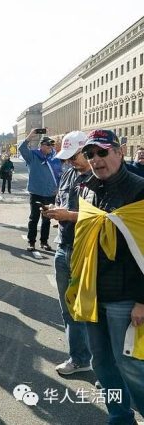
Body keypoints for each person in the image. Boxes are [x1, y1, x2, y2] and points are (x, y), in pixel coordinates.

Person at [67, 129, 144, 424]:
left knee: (132, 367)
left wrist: (142, 299)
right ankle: (120, 418)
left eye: (102, 152)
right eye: (90, 154)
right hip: (93, 293)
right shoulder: (86, 189)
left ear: (118, 152)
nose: (96, 159)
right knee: (101, 364)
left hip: (126, 298)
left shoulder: (139, 190)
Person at [40, 131, 93, 376]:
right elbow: (64, 202)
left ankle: (101, 364)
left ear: (87, 150)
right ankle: (80, 358)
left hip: (86, 251)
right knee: (68, 308)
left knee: (90, 310)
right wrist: (54, 211)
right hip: (63, 246)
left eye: (74, 156)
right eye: (67, 157)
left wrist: (69, 216)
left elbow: (104, 218)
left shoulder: (99, 177)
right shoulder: (69, 172)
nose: (70, 161)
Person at [19, 129, 62, 252]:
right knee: (34, 218)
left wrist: (57, 189)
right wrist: (30, 136)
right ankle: (31, 242)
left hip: (49, 193)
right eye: (48, 145)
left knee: (47, 219)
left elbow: (59, 174)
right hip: (36, 192)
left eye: (51, 145)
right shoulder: (33, 156)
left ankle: (44, 242)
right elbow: (22, 149)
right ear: (42, 146)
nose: (50, 147)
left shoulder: (54, 158)